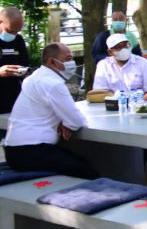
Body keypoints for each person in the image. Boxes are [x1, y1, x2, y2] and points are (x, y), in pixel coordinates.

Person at [3, 43, 99, 179]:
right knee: (88, 172)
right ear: (52, 61)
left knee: (77, 162)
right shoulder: (53, 84)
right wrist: (67, 122)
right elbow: (77, 121)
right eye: (68, 58)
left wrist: (62, 120)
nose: (71, 63)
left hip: (14, 151)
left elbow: (46, 110)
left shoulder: (33, 78)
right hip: (32, 150)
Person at [93, 34, 147, 100]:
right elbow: (100, 92)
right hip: (113, 107)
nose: (123, 49)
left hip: (140, 107)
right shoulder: (103, 65)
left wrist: (138, 105)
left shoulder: (143, 63)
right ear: (110, 52)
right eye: (118, 47)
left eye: (126, 45)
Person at [0, 7, 29, 115]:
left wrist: (25, 74)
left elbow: (24, 63)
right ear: (1, 22)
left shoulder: (19, 40)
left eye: (17, 31)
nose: (13, 34)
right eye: (11, 31)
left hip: (14, 100)